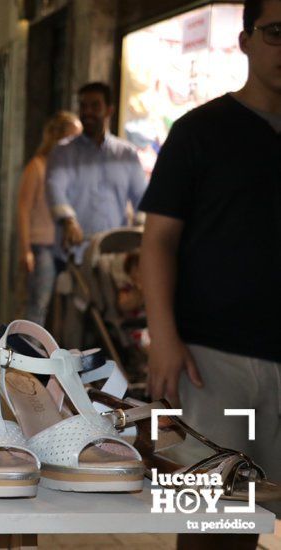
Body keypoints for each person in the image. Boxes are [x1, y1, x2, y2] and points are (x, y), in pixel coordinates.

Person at [140, 0, 281, 529]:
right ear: (245, 41)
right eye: (275, 32)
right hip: (211, 361)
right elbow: (158, 242)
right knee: (212, 522)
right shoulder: (199, 131)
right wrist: (163, 337)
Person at [46, 82, 147, 265]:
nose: (88, 112)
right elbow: (55, 188)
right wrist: (69, 221)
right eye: (83, 106)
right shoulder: (62, 153)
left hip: (114, 257)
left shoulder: (126, 155)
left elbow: (143, 198)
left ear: (109, 110)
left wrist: (139, 230)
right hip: (73, 256)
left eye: (95, 106)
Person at [17, 112, 81, 325]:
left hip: (67, 248)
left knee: (65, 311)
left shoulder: (71, 170)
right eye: (72, 137)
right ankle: (29, 354)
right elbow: (24, 209)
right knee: (38, 305)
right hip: (42, 245)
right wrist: (25, 249)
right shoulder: (38, 165)